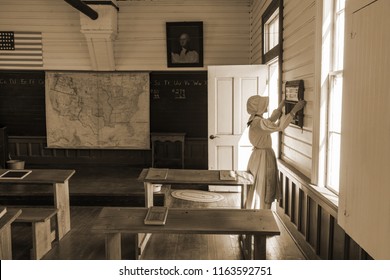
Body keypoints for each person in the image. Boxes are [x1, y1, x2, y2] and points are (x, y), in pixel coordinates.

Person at [246, 95, 305, 209]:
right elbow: (279, 126)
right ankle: (260, 212)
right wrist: (294, 110)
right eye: (264, 104)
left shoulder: (256, 120)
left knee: (260, 185)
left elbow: (271, 121)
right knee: (263, 185)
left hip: (259, 156)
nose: (266, 105)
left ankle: (258, 210)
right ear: (259, 107)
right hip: (262, 158)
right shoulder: (259, 122)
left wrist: (281, 106)